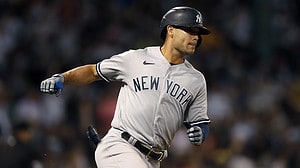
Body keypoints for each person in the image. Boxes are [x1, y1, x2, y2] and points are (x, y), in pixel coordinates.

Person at [40, 6, 211, 168]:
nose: (196, 37)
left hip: (152, 160)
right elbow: (93, 71)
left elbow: (200, 122)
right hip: (120, 146)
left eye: (198, 33)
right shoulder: (135, 59)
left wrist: (199, 132)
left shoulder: (196, 79)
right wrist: (62, 78)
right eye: (190, 30)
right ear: (171, 30)